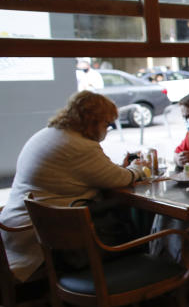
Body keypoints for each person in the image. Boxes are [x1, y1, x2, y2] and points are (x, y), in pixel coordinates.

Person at [0, 91, 145, 282]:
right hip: (44, 240)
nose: (107, 129)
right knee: (136, 236)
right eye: (106, 123)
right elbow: (121, 179)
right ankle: (130, 293)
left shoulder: (48, 134)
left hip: (15, 230)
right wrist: (138, 168)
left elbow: (89, 173)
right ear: (93, 121)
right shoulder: (80, 145)